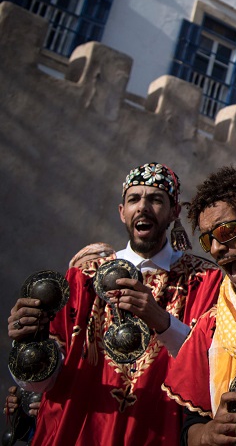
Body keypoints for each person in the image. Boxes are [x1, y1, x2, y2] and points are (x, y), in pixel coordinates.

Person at [6, 163, 221, 445]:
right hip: (82, 431)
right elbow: (42, 384)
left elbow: (211, 369)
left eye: (155, 199)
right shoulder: (83, 278)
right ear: (122, 213)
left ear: (174, 212)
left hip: (158, 432)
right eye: (134, 199)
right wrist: (26, 343)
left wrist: (162, 321)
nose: (143, 207)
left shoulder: (204, 281)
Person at [162, 165, 236, 446]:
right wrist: (210, 434)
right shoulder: (209, 327)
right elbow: (191, 427)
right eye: (206, 239)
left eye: (226, 231)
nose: (215, 248)